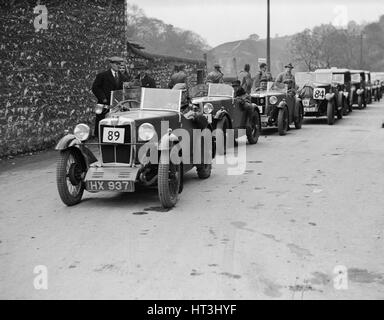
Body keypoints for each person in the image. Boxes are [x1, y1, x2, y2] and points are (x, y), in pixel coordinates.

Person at [91, 56, 129, 138]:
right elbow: (95, 88)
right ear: (111, 64)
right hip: (105, 105)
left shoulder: (123, 77)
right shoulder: (102, 75)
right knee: (102, 124)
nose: (118, 66)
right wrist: (103, 98)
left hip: (117, 105)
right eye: (116, 64)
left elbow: (124, 91)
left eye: (119, 64)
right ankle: (100, 139)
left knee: (117, 124)